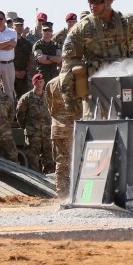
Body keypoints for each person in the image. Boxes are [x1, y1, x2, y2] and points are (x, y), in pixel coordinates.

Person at [46, 71, 80, 199]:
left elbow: (50, 106)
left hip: (58, 127)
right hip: (74, 127)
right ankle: (76, 193)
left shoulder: (51, 83)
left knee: (61, 162)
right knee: (78, 160)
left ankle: (62, 195)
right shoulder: (76, 81)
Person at [17, 73, 53, 172]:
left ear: (44, 82)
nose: (39, 84)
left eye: (41, 82)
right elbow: (20, 115)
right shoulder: (26, 98)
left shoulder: (48, 96)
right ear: (33, 84)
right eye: (37, 82)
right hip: (33, 134)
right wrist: (27, 127)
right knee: (33, 159)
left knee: (49, 158)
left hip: (47, 133)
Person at [12, 18, 34, 98]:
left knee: (22, 100)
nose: (19, 27)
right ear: (12, 27)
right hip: (10, 75)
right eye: (17, 25)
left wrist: (25, 71)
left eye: (21, 25)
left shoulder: (27, 43)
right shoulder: (9, 42)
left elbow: (31, 60)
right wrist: (14, 72)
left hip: (23, 77)